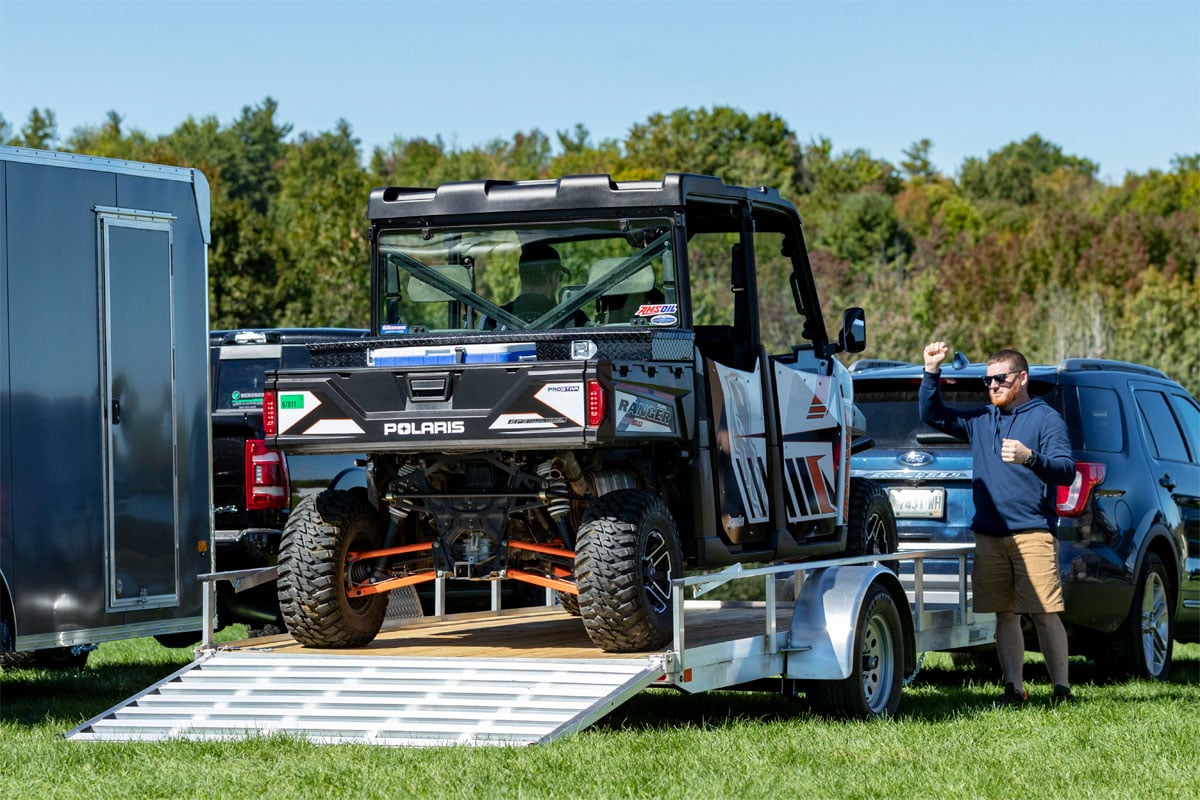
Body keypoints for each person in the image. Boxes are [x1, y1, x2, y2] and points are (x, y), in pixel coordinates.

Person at [919, 342, 1077, 705]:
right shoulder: (981, 420)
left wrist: (1031, 458)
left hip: (1032, 532)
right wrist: (931, 372)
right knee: (1004, 615)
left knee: (1043, 614)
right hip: (990, 535)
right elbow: (933, 415)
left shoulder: (1045, 418)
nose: (992, 385)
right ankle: (1014, 688)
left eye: (1000, 378)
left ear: (1021, 378)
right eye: (987, 380)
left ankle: (1061, 690)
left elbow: (1065, 471)